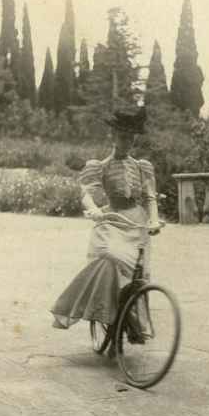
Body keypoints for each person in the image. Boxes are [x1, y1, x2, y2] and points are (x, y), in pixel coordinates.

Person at [50, 107, 161, 354]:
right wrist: (94, 210)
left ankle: (130, 324)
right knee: (111, 257)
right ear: (113, 137)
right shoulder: (100, 167)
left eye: (131, 139)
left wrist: (154, 221)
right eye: (123, 137)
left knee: (137, 278)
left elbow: (150, 198)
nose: (127, 143)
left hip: (137, 223)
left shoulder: (142, 167)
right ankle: (107, 316)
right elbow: (86, 193)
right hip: (112, 221)